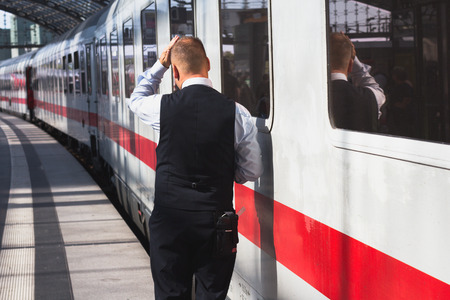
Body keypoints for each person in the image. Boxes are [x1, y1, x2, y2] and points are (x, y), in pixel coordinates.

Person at [127, 36, 263, 300]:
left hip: (170, 222)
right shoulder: (237, 112)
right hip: (216, 222)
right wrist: (225, 172)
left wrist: (160, 65)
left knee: (170, 294)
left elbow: (136, 98)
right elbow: (251, 171)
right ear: (209, 64)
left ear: (174, 71)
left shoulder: (161, 107)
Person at [329, 32, 386, 132]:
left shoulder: (309, 95)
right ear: (351, 65)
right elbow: (375, 88)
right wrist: (353, 59)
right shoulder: (370, 97)